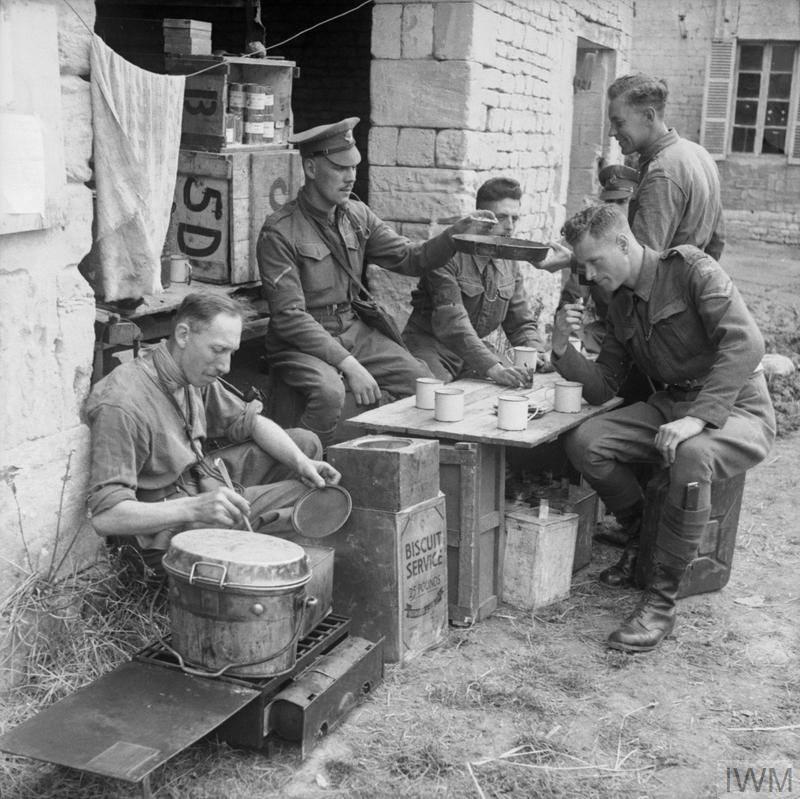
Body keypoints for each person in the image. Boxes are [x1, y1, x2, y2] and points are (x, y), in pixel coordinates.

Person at [550, 204, 774, 652]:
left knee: (693, 454)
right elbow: (605, 384)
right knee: (587, 441)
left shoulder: (691, 269)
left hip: (737, 407)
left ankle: (661, 601)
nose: (588, 275)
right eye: (582, 265)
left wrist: (698, 418)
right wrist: (560, 346)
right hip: (673, 406)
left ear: (622, 243)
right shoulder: (620, 303)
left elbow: (747, 342)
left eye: (594, 262)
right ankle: (640, 537)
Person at [257, 117, 496, 446]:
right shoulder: (279, 231)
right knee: (330, 392)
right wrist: (350, 365)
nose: (351, 176)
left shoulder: (357, 216)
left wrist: (455, 235)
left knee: (420, 382)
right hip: (300, 341)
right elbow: (289, 317)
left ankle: (374, 457)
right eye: (340, 168)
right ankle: (305, 465)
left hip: (352, 328)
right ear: (311, 168)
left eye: (353, 166)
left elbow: (411, 258)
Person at [86, 293, 341, 575]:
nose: (226, 366)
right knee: (308, 496)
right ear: (183, 335)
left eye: (231, 352)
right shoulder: (123, 403)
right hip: (162, 536)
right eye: (218, 350)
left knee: (305, 444)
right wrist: (196, 508)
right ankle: (279, 573)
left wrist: (302, 463)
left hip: (199, 482)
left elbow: (252, 422)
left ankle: (263, 545)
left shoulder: (187, 371)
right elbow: (106, 517)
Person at [401, 177, 543, 388]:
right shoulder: (446, 255)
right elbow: (453, 323)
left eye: (515, 218)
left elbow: (520, 323)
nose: (510, 226)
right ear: (483, 219)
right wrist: (493, 368)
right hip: (431, 349)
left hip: (473, 354)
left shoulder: (509, 261)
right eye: (501, 217)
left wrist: (535, 351)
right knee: (436, 394)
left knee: (514, 386)